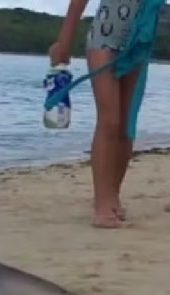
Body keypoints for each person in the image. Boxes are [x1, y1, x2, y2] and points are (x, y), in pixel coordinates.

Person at [49, 0, 144, 228]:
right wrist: (64, 42)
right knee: (109, 121)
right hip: (104, 37)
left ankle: (112, 196)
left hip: (139, 42)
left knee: (125, 126)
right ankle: (102, 204)